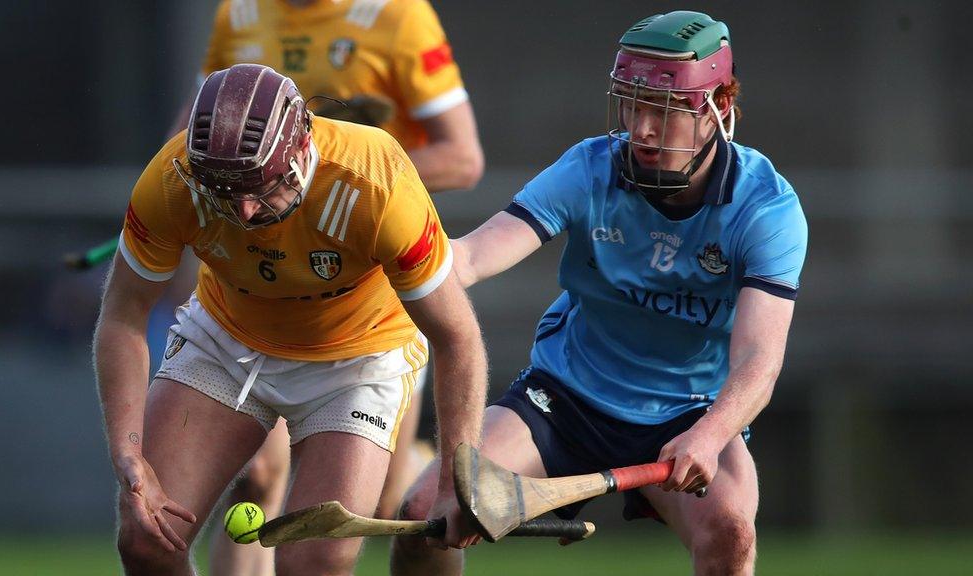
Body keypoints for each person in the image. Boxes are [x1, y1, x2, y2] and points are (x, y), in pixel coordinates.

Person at [390, 11, 808, 576]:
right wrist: (392, 257)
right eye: (633, 108)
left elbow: (760, 359)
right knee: (423, 518)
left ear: (718, 111)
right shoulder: (591, 168)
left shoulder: (765, 210)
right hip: (564, 398)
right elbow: (470, 257)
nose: (642, 131)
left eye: (662, 112)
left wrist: (710, 436)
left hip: (687, 413)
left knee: (730, 533)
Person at [95, 63, 486, 576]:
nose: (247, 212)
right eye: (226, 192)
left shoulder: (377, 181)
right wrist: (128, 452)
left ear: (302, 146)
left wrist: (456, 480)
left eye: (262, 187)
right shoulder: (173, 180)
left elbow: (457, 338)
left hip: (358, 357)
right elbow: (123, 316)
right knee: (146, 539)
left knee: (311, 564)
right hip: (226, 341)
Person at [191, 2, 485, 569]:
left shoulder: (398, 17)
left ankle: (415, 456)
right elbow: (192, 130)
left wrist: (347, 182)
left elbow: (463, 157)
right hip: (256, 275)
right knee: (256, 474)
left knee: (367, 504)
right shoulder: (240, 13)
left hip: (366, 288)